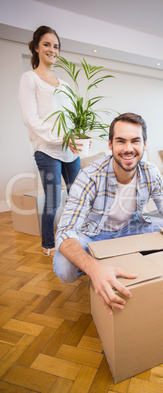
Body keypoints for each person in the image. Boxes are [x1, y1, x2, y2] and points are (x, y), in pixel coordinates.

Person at [53, 112, 163, 315]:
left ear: (144, 145)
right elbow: (65, 230)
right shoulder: (89, 176)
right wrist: (93, 268)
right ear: (110, 145)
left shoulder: (150, 172)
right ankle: (101, 266)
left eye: (135, 141)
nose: (128, 148)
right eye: (120, 141)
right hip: (92, 234)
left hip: (130, 227)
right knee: (65, 268)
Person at [19, 26, 84, 257]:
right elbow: (30, 118)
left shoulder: (64, 84)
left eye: (56, 46)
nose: (52, 50)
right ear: (36, 47)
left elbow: (71, 118)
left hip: (70, 150)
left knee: (77, 196)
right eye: (47, 44)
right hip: (46, 149)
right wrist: (60, 137)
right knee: (54, 199)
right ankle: (49, 244)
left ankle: (73, 234)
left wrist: (77, 135)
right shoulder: (30, 79)